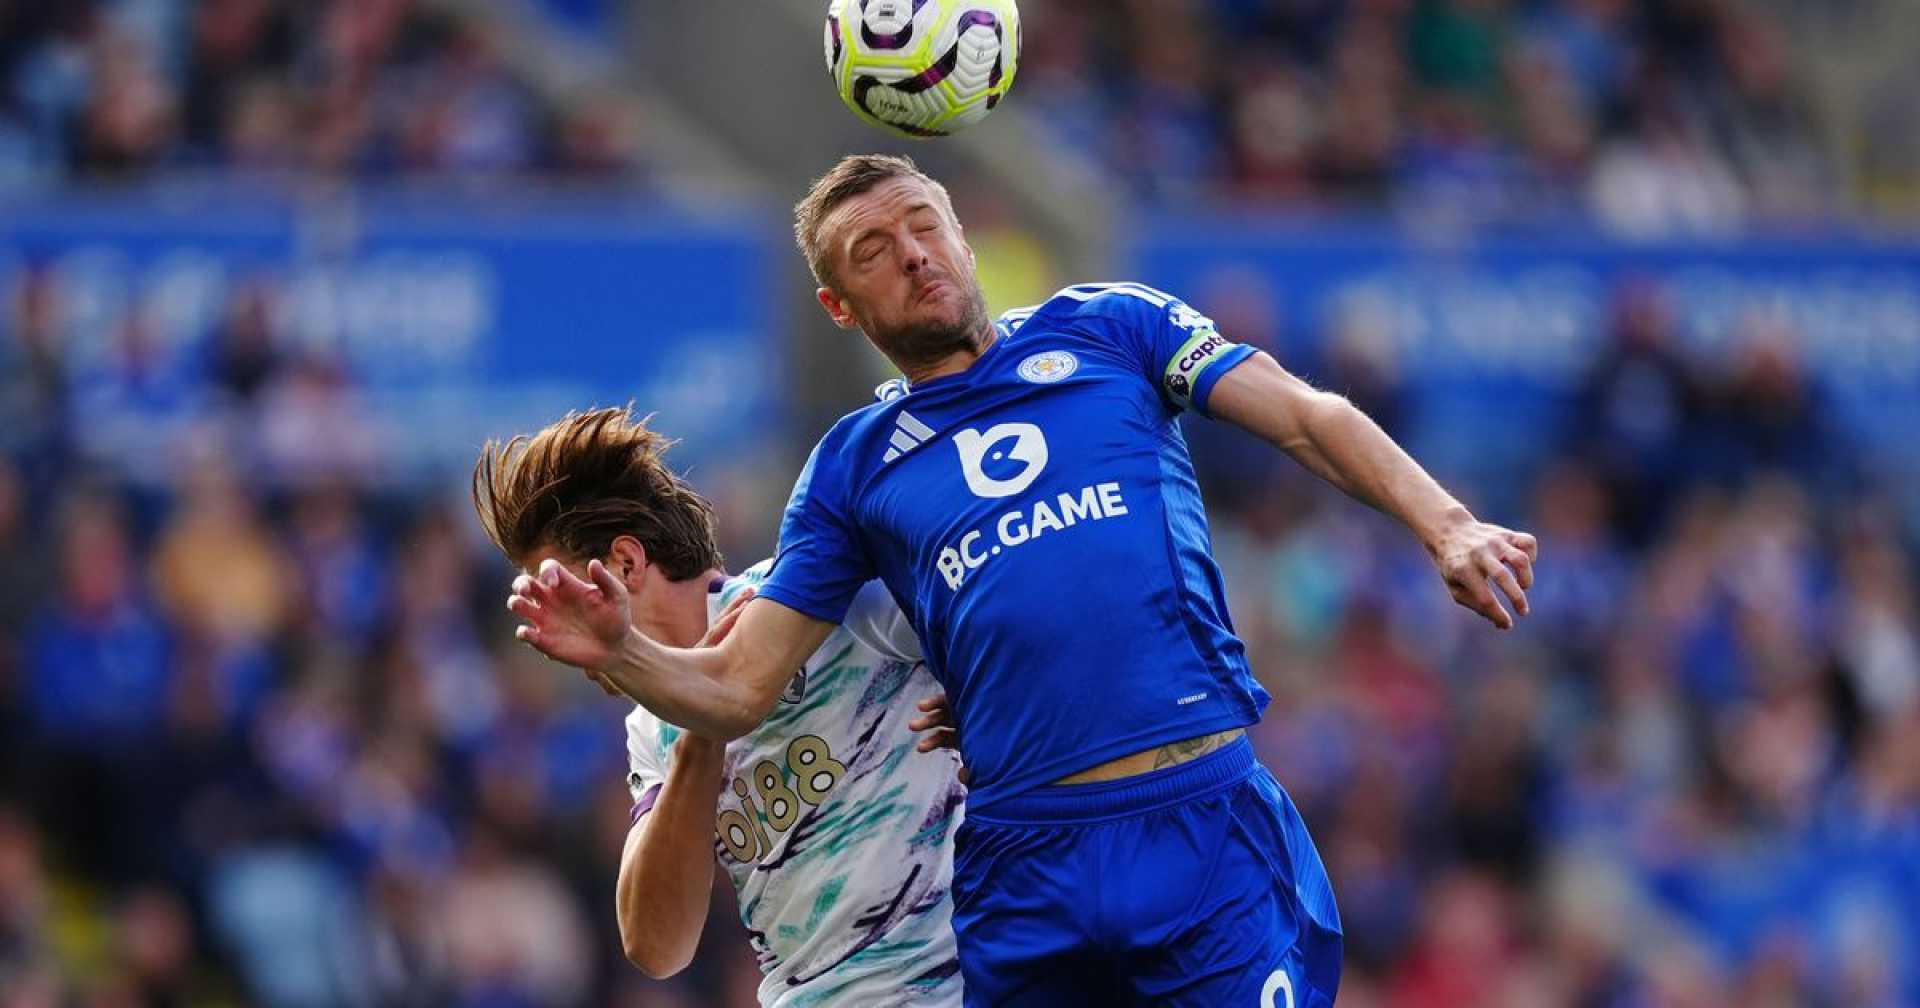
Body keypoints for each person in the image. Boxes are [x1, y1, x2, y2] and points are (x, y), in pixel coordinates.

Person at [507, 154, 1538, 1007]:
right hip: (1026, 864)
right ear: (837, 303)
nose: (912, 255)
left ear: (961, 236)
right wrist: (630, 652)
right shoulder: (856, 468)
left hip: (1198, 817)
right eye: (874, 250)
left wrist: (1446, 526)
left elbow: (1308, 416)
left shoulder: (1110, 329)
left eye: (924, 226)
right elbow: (734, 693)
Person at [473, 406, 966, 1007]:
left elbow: (999, 635)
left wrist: (982, 706)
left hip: (956, 983)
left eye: (562, 592)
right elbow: (657, 946)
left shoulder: (809, 599)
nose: (553, 635)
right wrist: (700, 726)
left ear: (626, 564)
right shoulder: (651, 731)